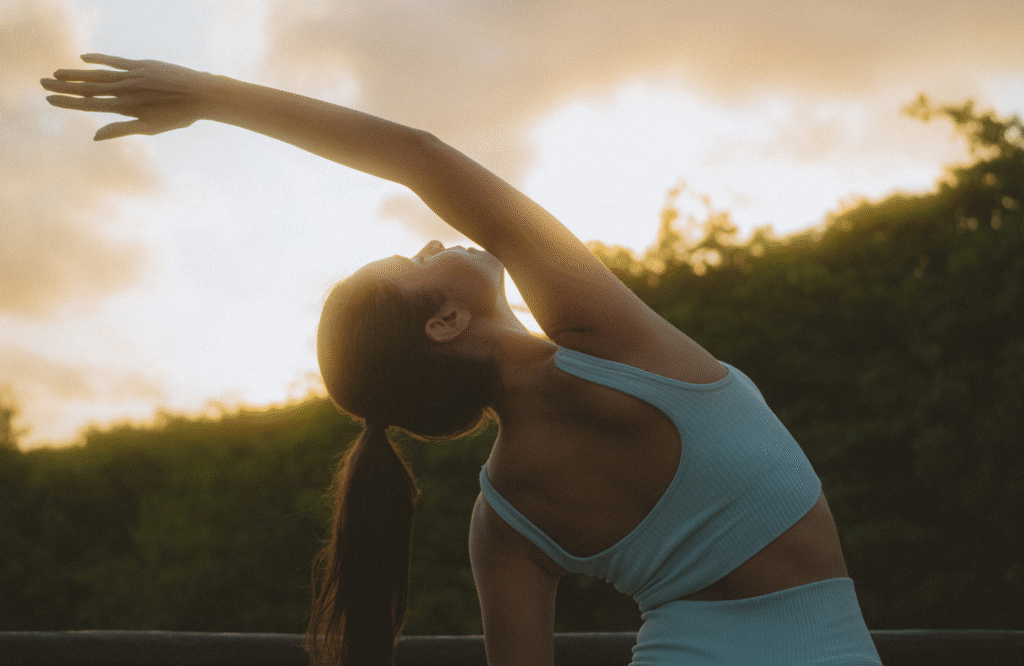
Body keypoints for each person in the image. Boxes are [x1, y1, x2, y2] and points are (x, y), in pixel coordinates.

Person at [42, 55, 883, 666]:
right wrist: (210, 94)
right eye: (414, 264)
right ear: (445, 321)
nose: (433, 241)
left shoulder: (502, 518)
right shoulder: (606, 342)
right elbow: (420, 156)